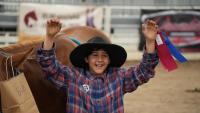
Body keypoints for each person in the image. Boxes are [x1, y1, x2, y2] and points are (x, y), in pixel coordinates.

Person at [37, 18, 159, 113]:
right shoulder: (73, 76)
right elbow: (49, 66)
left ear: (109, 60)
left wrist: (150, 41)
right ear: (86, 59)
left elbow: (144, 70)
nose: (100, 60)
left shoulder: (119, 77)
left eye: (104, 56)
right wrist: (49, 37)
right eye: (95, 55)